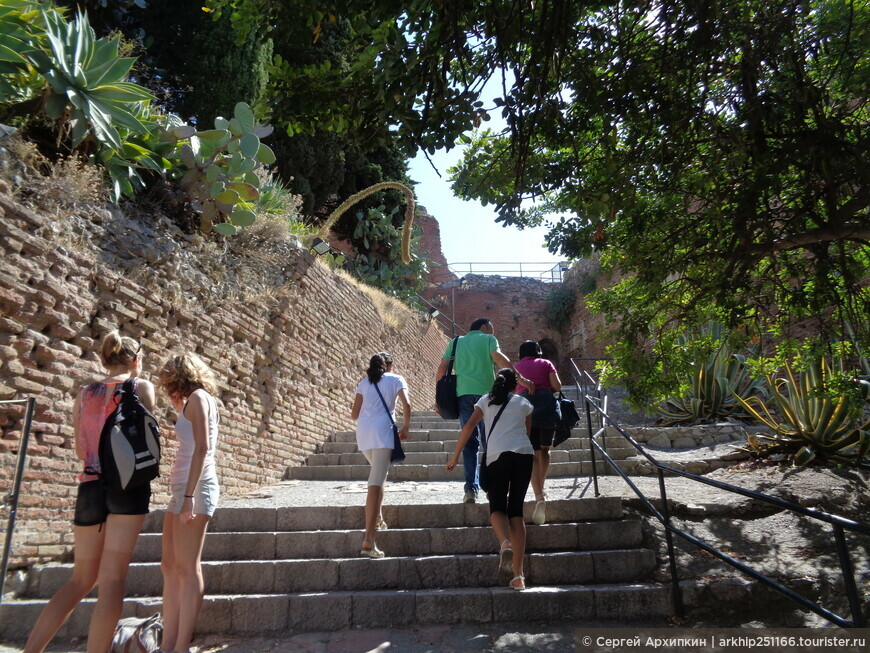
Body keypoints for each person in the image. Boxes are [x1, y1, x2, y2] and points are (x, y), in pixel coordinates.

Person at [24, 331, 156, 653]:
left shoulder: (84, 393)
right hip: (128, 488)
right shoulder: (141, 387)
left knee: (80, 580)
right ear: (136, 360)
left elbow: (81, 453)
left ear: (104, 359)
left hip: (90, 486)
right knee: (111, 582)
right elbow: (147, 440)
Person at [446, 368, 533, 590]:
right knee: (516, 512)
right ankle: (518, 576)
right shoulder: (524, 403)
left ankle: (504, 543)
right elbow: (528, 432)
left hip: (497, 457)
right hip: (524, 456)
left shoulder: (485, 401)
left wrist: (455, 456)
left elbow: (468, 426)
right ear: (515, 386)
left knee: (496, 507)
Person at [157, 352, 221, 653]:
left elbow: (203, 448)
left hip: (194, 489)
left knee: (186, 567)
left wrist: (188, 498)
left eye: (167, 378)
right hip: (181, 489)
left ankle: (181, 646)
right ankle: (167, 643)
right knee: (169, 565)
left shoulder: (198, 398)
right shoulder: (192, 401)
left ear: (177, 377)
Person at [435, 318, 535, 504]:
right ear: (483, 327)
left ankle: (471, 490)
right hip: (487, 397)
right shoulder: (488, 339)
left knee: (470, 443)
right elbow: (498, 358)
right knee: (489, 440)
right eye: (491, 328)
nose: (492, 332)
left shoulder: (456, 342)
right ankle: (492, 486)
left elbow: (442, 369)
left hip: (463, 395)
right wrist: (520, 379)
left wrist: (438, 400)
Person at [351, 352, 410, 558]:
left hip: (364, 434)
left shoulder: (364, 383)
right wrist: (405, 427)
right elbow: (407, 404)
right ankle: (368, 539)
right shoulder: (396, 379)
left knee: (379, 475)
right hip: (383, 432)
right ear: (390, 365)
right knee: (375, 481)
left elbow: (354, 414)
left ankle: (378, 518)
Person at [514, 340, 563, 525]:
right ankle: (541, 486)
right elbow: (557, 387)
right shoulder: (546, 363)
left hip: (525, 410)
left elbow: (512, 391)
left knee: (531, 454)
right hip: (547, 408)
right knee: (545, 449)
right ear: (538, 351)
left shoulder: (516, 367)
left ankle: (538, 495)